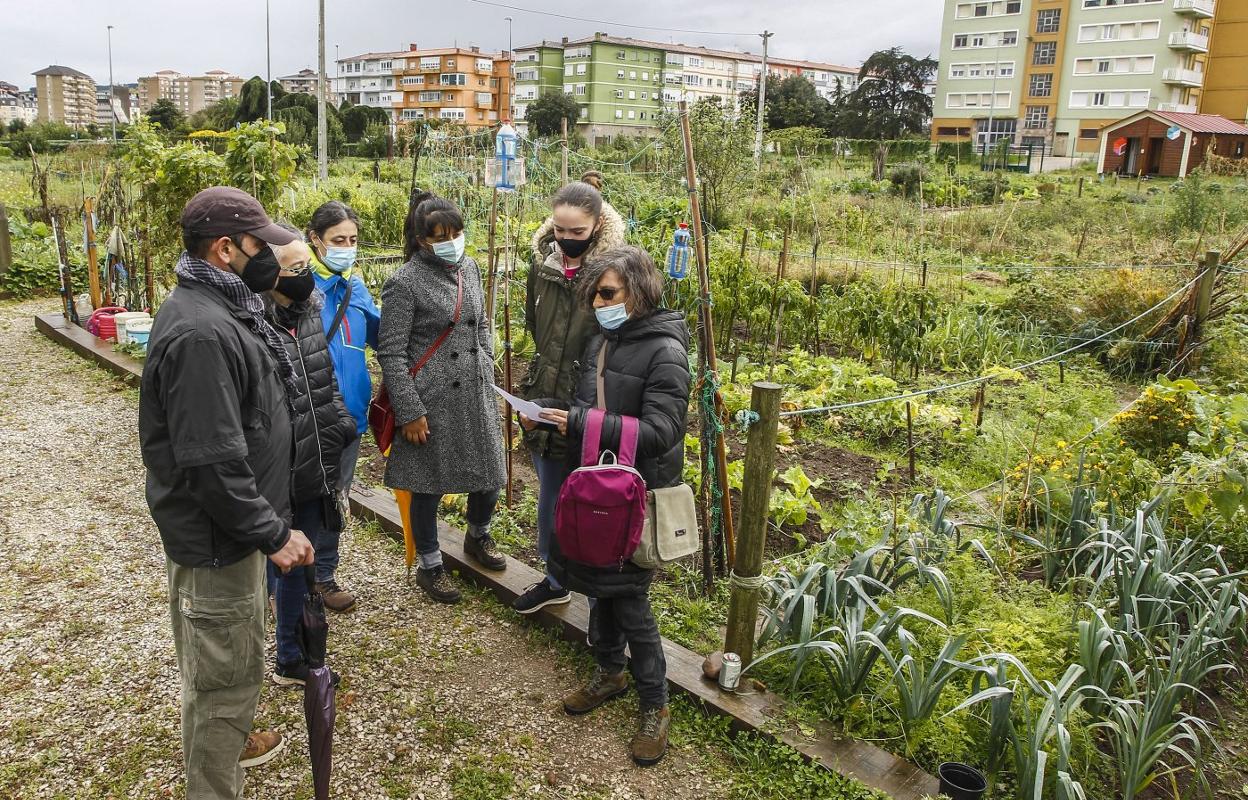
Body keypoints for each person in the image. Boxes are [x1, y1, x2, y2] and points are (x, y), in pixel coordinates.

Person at [139, 187, 316, 797]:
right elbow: (212, 462)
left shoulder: (224, 309)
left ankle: (228, 753)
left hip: (230, 536)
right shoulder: (202, 334)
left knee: (227, 664)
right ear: (224, 249)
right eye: (257, 246)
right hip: (221, 538)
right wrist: (271, 533)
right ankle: (216, 782)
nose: (268, 256)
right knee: (223, 682)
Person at [535, 246, 691, 767]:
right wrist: (558, 416)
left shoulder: (665, 351)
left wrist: (579, 423)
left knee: (628, 598)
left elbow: (663, 432)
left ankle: (656, 705)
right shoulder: (605, 340)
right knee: (597, 584)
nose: (599, 303)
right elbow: (589, 407)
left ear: (639, 292)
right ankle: (609, 673)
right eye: (595, 294)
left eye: (608, 293)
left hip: (636, 494)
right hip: (599, 487)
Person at [377, 192, 507, 604]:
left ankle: (477, 536)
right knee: (428, 483)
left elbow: (480, 321)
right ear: (420, 240)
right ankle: (430, 564)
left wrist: (485, 357)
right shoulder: (404, 282)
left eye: (456, 233)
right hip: (430, 397)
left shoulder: (468, 266)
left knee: (491, 473)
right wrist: (410, 410)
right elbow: (392, 352)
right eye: (439, 237)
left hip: (474, 387)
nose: (451, 242)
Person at [512, 176, 627, 615]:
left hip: (594, 400)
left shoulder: (615, 273)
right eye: (560, 230)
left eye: (577, 232)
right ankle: (556, 578)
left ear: (598, 224)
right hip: (546, 394)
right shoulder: (543, 266)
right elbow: (536, 332)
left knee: (596, 499)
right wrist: (534, 393)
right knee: (552, 495)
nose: (566, 239)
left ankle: (602, 597)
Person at [264, 225, 357, 685]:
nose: (304, 277)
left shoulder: (309, 310)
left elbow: (327, 380)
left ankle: (292, 651)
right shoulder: (255, 323)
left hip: (317, 454)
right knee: (282, 562)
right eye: (294, 268)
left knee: (300, 565)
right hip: (281, 462)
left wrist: (339, 424)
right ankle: (286, 655)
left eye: (306, 266)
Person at [307, 200, 380, 613]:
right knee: (299, 498)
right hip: (308, 414)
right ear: (316, 240)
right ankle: (285, 580)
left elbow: (380, 334)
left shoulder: (356, 286)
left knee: (336, 497)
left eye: (352, 240)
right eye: (338, 240)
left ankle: (325, 577)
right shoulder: (302, 289)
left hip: (349, 414)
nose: (346, 247)